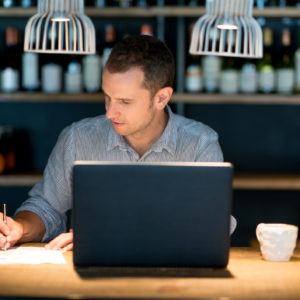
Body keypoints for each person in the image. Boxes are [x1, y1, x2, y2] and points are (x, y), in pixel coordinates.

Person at [0, 35, 236, 251]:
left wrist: (100, 237)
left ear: (161, 98)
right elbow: (47, 207)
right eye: (107, 97)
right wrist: (19, 228)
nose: (110, 112)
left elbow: (213, 225)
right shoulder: (78, 138)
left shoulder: (200, 142)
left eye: (124, 101)